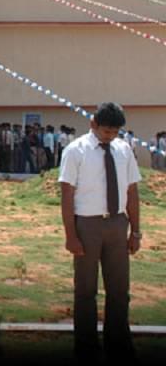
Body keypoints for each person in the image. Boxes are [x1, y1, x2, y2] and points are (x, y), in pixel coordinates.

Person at [59, 102, 141, 360]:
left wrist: (135, 231)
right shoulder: (76, 150)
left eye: (115, 132)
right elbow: (66, 194)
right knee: (85, 290)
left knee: (119, 289)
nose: (110, 136)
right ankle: (86, 347)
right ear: (93, 123)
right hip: (87, 225)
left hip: (117, 224)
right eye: (106, 131)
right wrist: (71, 235)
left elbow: (131, 191)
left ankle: (118, 345)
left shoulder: (123, 149)